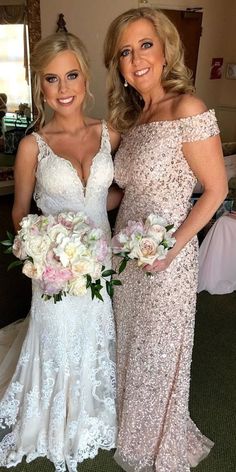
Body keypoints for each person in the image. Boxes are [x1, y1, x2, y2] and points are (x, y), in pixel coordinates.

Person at [104, 7, 228, 472]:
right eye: (125, 51)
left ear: (166, 49)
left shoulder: (188, 109)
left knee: (158, 349)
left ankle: (155, 439)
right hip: (125, 254)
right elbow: (122, 193)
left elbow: (216, 190)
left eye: (145, 45)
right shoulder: (132, 118)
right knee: (129, 341)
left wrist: (172, 249)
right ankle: (128, 424)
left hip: (167, 257)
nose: (136, 58)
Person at [0, 32, 120, 471]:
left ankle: (95, 409)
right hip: (53, 272)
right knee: (56, 340)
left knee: (94, 334)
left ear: (86, 79)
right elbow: (19, 213)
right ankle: (51, 419)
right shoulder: (33, 145)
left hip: (99, 263)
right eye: (52, 79)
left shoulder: (110, 133)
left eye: (71, 75)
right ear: (41, 88)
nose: (64, 88)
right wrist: (43, 253)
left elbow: (108, 195)